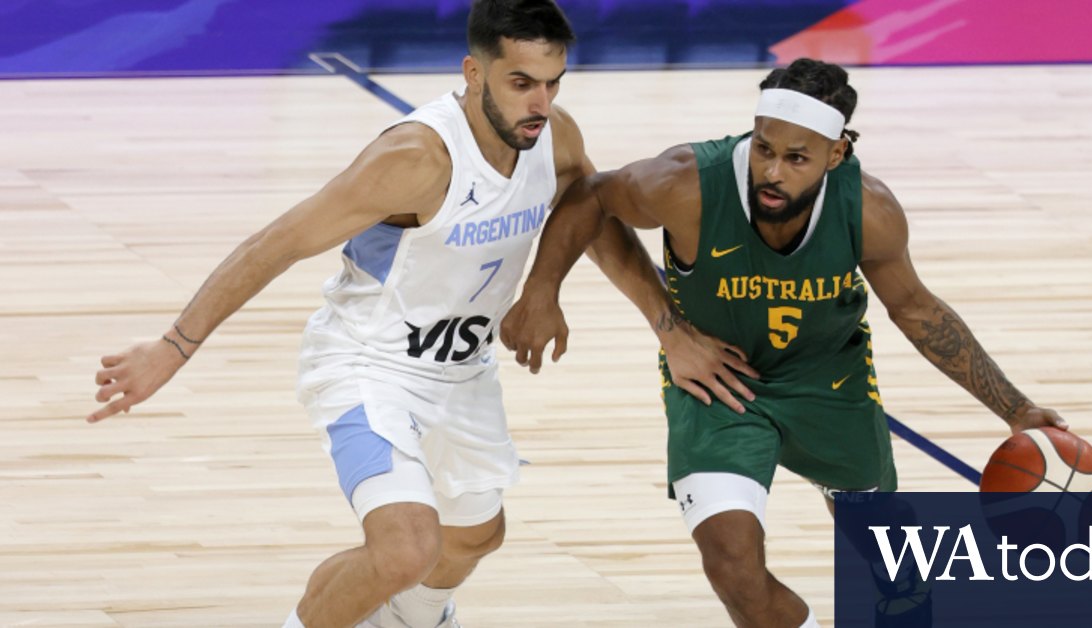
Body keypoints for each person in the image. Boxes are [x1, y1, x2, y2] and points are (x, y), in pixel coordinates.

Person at [87, 2, 746, 626]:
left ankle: (414, 619)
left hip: (462, 373)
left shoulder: (556, 138)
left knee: (476, 536)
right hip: (367, 363)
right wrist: (173, 347)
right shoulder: (416, 159)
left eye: (552, 82)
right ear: (473, 71)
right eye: (521, 83)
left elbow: (591, 220)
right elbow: (277, 242)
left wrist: (668, 332)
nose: (540, 103)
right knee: (405, 550)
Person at [500, 57, 1070, 628]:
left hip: (828, 380)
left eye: (796, 158)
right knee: (732, 567)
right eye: (765, 148)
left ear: (836, 154)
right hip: (719, 378)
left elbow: (917, 310)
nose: (772, 171)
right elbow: (592, 196)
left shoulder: (869, 211)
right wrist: (543, 290)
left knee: (887, 553)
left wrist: (1015, 408)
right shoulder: (687, 182)